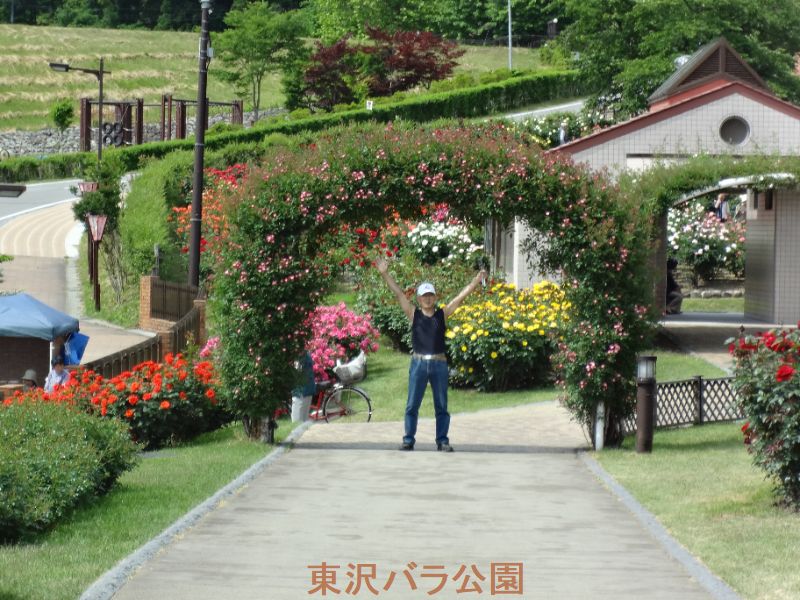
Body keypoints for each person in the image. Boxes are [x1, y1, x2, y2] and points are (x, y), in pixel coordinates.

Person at [375, 256, 486, 452]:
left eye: (430, 295)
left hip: (439, 364)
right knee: (412, 404)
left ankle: (442, 440)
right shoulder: (413, 314)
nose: (427, 299)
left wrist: (476, 281)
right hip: (418, 364)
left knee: (441, 405)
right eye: (424, 296)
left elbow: (460, 297)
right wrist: (384, 273)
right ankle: (408, 439)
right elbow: (399, 294)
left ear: (435, 298)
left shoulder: (442, 314)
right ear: (419, 299)